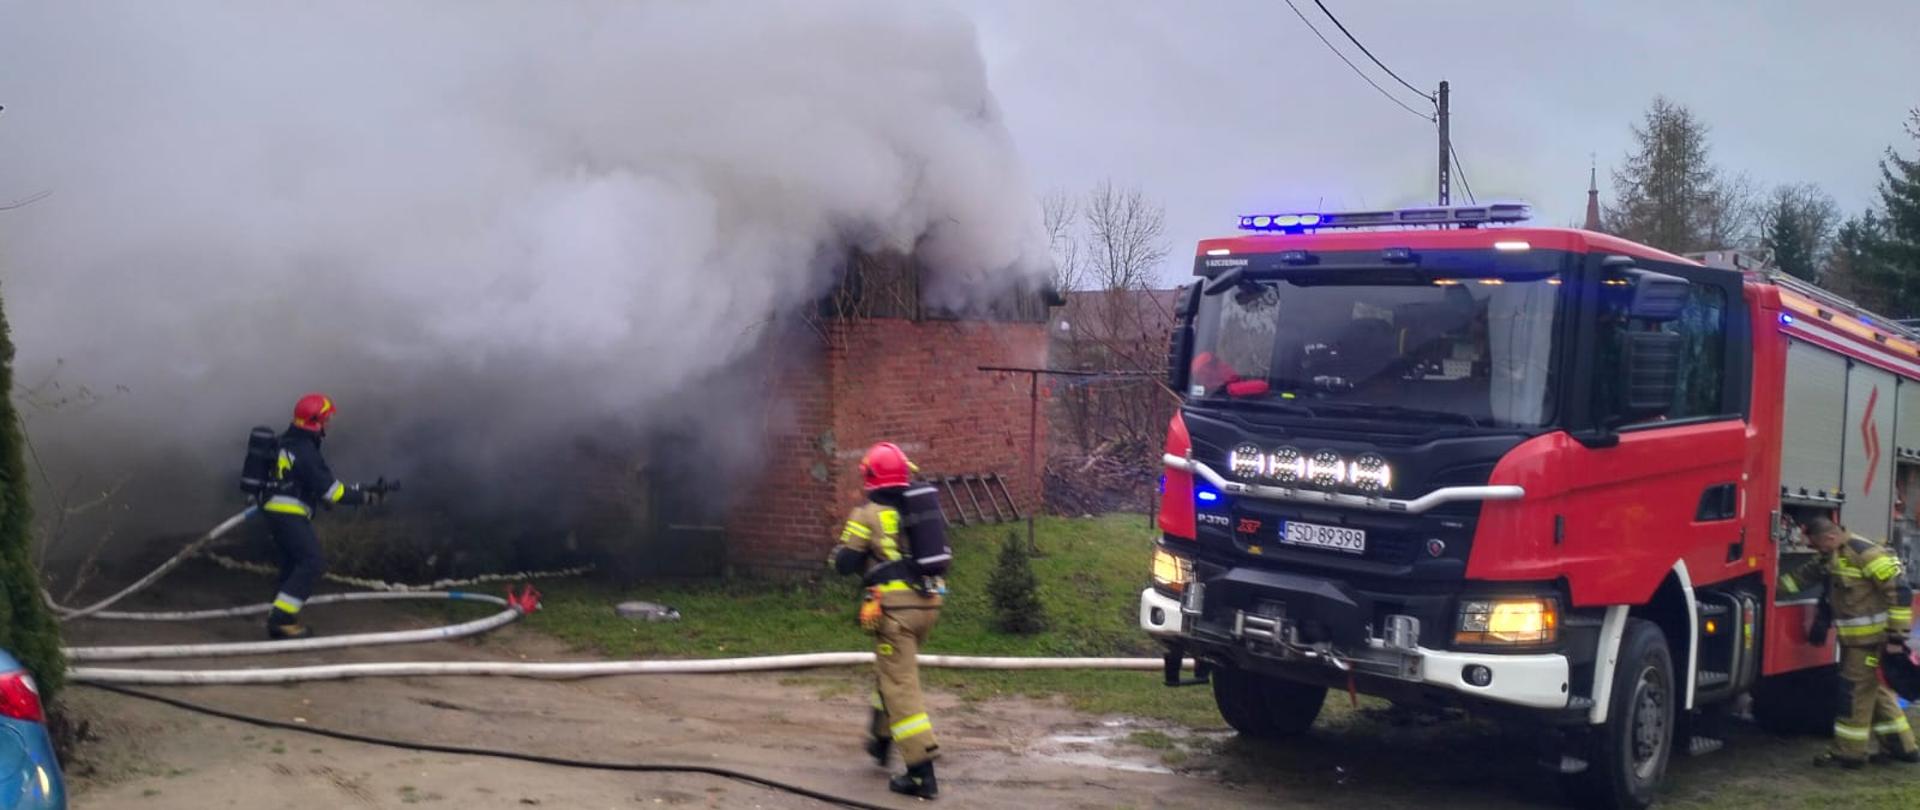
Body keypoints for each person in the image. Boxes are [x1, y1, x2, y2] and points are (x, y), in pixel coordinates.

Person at [827, 442, 944, 799]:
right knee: (890, 673)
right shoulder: (918, 506)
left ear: (870, 476)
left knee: (901, 686)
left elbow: (845, 563)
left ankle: (921, 773)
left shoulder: (869, 513)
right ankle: (880, 741)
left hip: (896, 613)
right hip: (928, 605)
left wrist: (842, 550)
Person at [1780, 517, 1918, 767]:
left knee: (1852, 694)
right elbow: (1803, 576)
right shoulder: (1833, 555)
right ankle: (1903, 747)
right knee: (1875, 693)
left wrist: (1896, 638)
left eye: (1816, 545)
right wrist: (1770, 587)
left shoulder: (1865, 553)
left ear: (1830, 538)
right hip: (1857, 641)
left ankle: (1849, 754)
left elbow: (1900, 592)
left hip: (1870, 641)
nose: (1815, 550)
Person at [261, 393, 388, 640]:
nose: (328, 425)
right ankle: (281, 620)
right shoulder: (306, 450)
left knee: (292, 563)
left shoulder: (286, 442)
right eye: (326, 420)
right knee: (312, 562)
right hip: (290, 513)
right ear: (315, 421)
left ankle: (282, 613)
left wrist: (361, 488)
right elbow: (333, 492)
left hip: (275, 510)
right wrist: (366, 498)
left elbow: (305, 482)